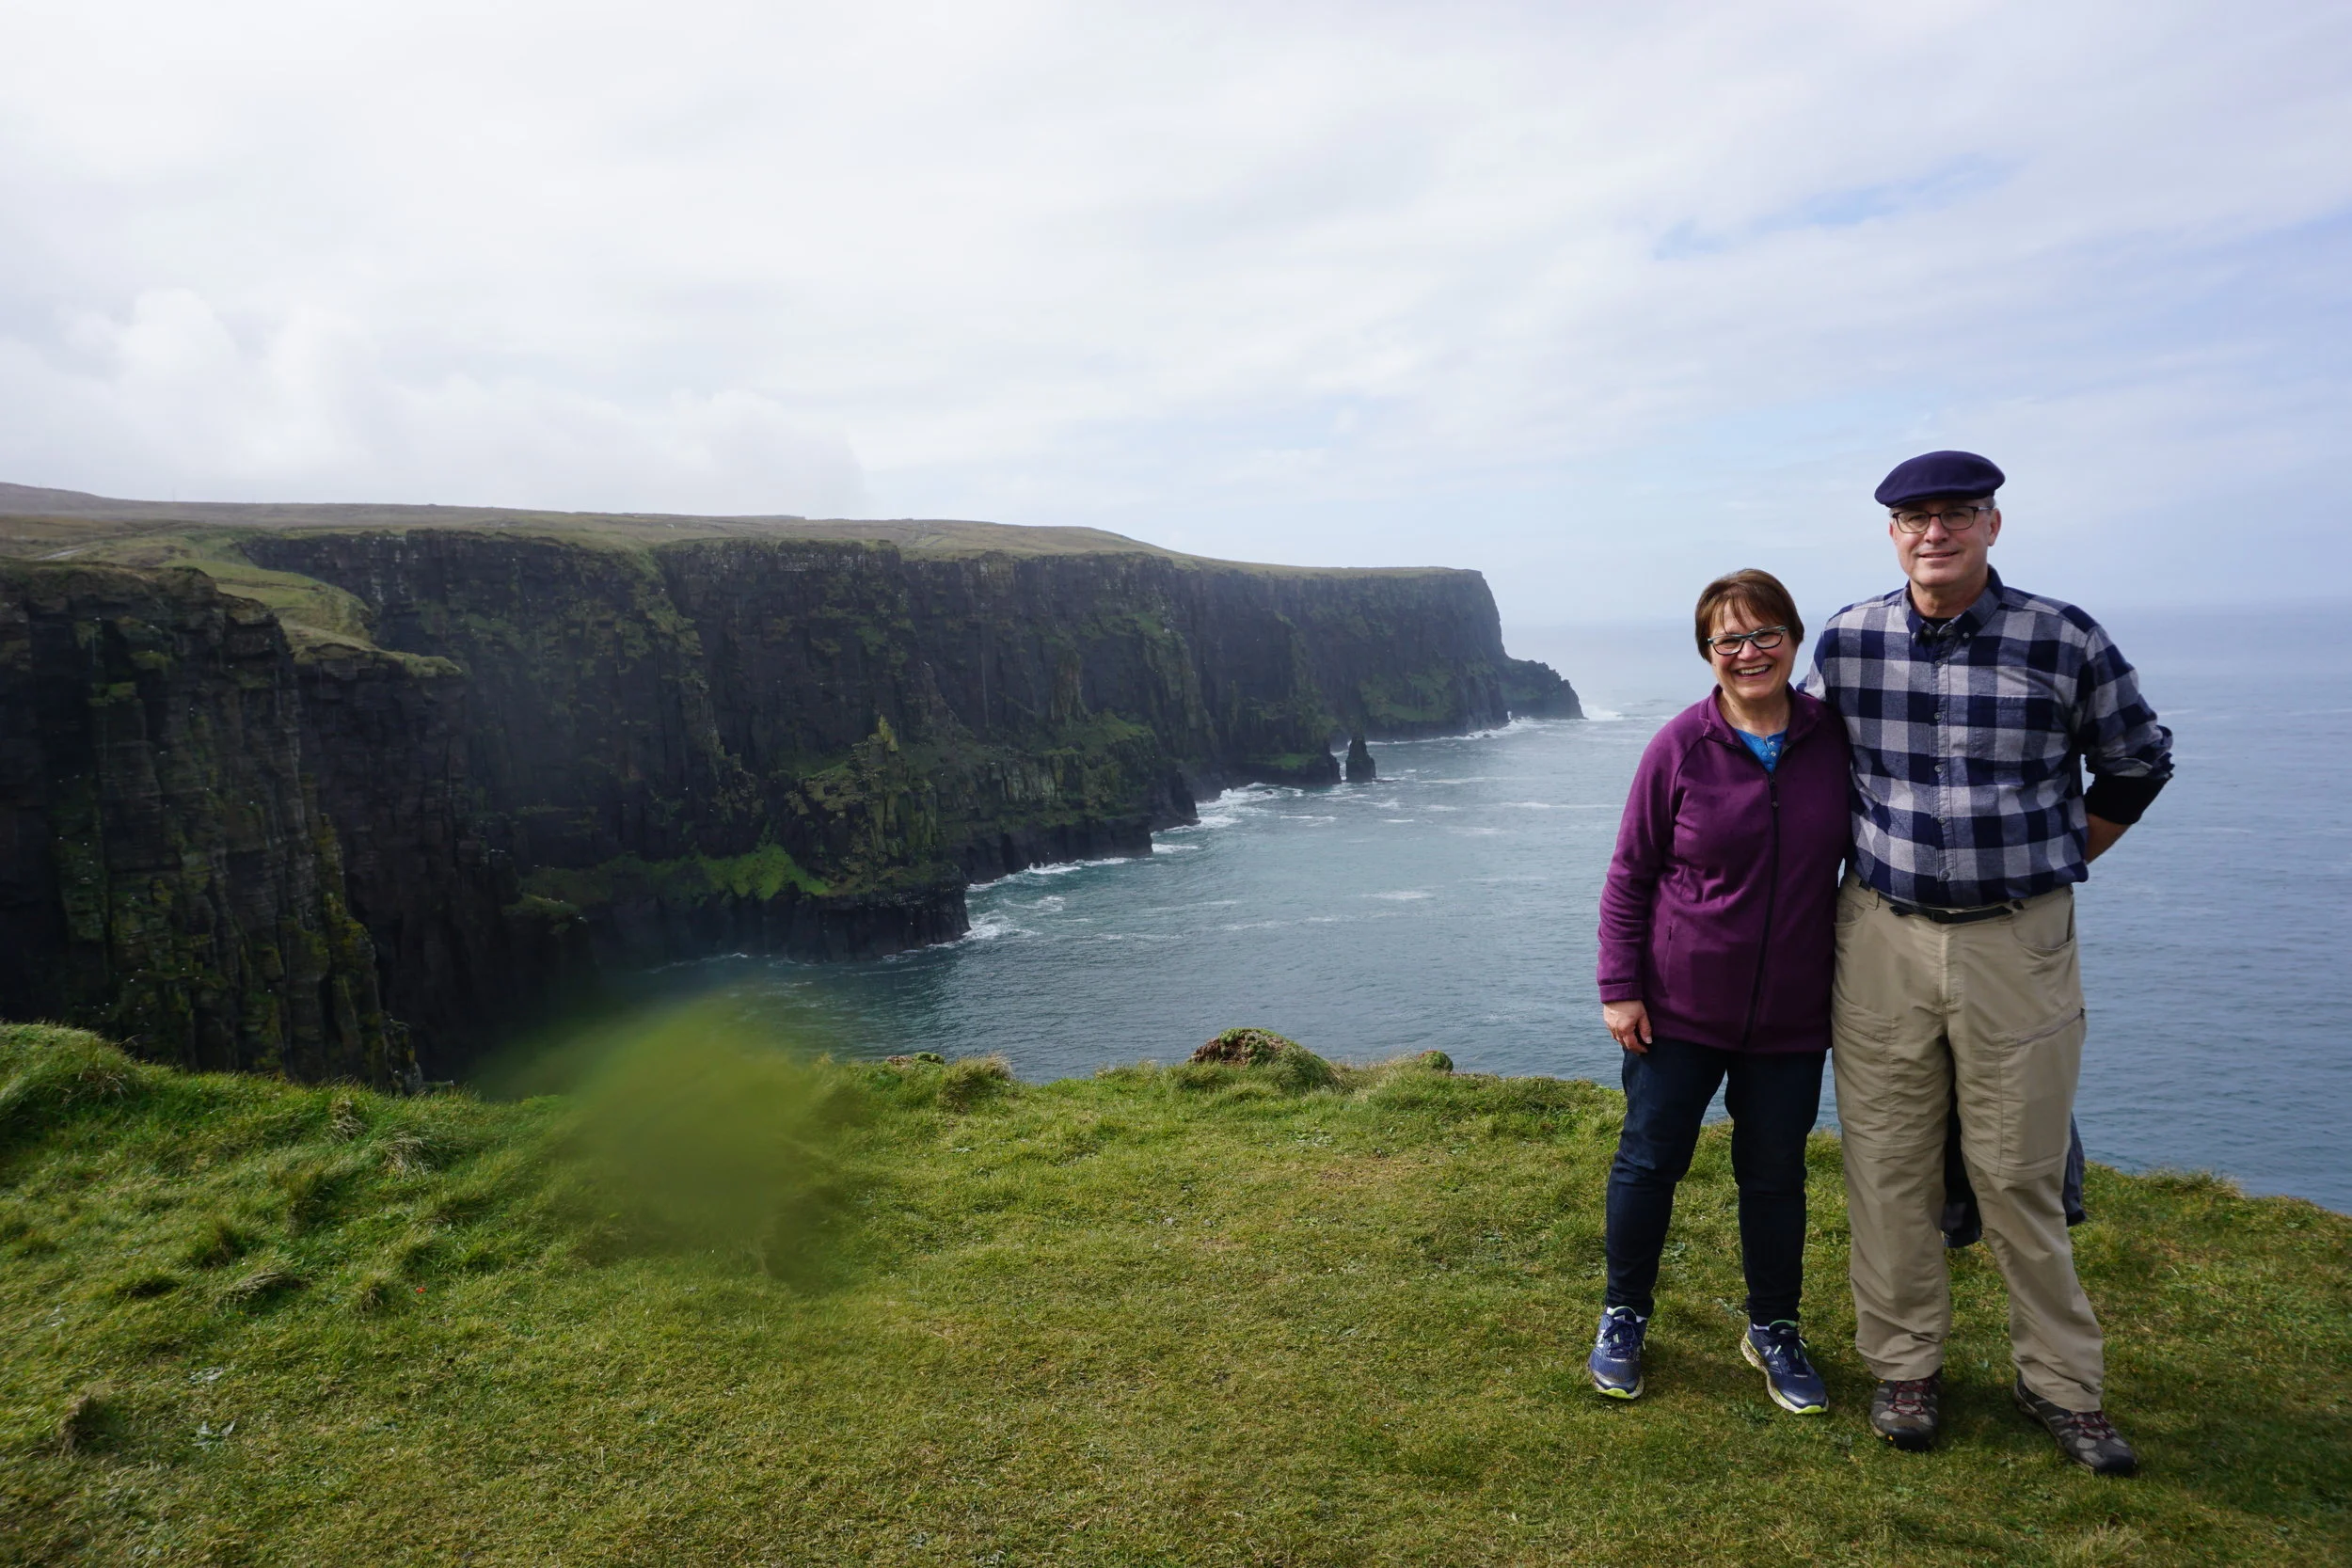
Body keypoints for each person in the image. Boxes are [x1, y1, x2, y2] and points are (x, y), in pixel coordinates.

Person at [1806, 451, 2171, 1475]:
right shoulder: (1848, 639)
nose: (1936, 532)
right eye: (1916, 518)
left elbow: (2139, 756)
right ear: (1892, 534)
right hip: (1877, 930)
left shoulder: (2062, 636)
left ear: (1992, 526)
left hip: (2019, 934)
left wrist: (2059, 855)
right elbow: (1790, 750)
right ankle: (1903, 1365)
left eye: (1957, 514)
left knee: (2017, 1168)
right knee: (1884, 1162)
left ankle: (2060, 1383)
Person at [1589, 569, 1851, 1414]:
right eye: (1728, 640)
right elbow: (1631, 873)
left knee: (1774, 1173)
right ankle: (1624, 1314)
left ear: (1793, 639)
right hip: (1677, 1007)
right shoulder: (1679, 745)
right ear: (1708, 653)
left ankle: (1772, 1325)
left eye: (1764, 634)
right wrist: (1620, 986)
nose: (1748, 653)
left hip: (1791, 1014)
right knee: (1649, 1159)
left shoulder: (1832, 740)